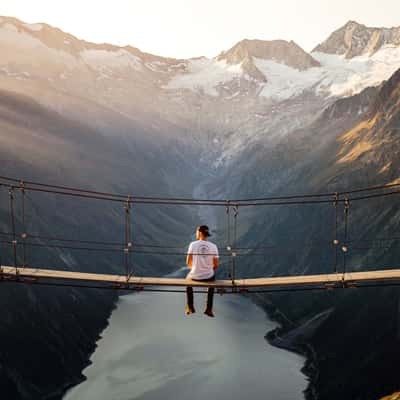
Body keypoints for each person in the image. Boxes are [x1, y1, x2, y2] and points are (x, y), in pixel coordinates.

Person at [186, 225, 219, 317]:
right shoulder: (214, 246)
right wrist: (207, 269)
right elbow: (216, 265)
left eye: (196, 232)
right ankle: (208, 309)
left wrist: (196, 269)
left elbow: (188, 262)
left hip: (194, 276)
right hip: (208, 276)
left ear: (199, 233)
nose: (196, 234)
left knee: (187, 281)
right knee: (212, 280)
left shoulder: (192, 244)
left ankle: (190, 307)